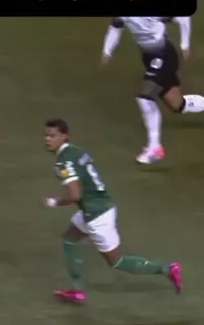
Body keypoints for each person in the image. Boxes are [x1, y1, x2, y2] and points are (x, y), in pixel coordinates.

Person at [43, 118, 182, 303]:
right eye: (46, 135)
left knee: (116, 261)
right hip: (99, 205)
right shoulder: (77, 151)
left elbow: (75, 194)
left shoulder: (63, 162)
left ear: (64, 136)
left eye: (52, 136)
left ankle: (167, 269)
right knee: (70, 238)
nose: (48, 139)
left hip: (96, 214)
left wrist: (54, 202)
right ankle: (76, 290)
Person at [101, 16, 204, 164]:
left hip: (164, 56)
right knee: (177, 104)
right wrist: (107, 51)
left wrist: (184, 45)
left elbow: (183, 18)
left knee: (144, 97)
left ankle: (154, 147)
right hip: (149, 58)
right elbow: (115, 27)